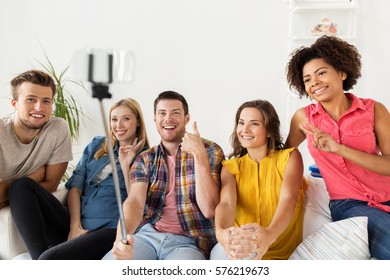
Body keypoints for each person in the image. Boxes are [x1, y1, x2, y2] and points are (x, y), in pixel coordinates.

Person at [285, 35, 390, 260]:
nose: (314, 82)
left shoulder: (375, 110)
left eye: (321, 73)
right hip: (349, 205)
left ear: (342, 73)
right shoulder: (304, 119)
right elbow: (283, 158)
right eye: (307, 79)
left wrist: (339, 148)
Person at [103, 90, 224, 260]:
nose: (168, 118)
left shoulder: (209, 150)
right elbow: (135, 202)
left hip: (188, 242)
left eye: (175, 113)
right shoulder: (145, 159)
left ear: (186, 118)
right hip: (146, 237)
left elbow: (209, 209)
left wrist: (199, 156)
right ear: (155, 119)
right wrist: (122, 240)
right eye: (162, 113)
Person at [38, 98, 150, 259]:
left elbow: (136, 202)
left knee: (48, 258)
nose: (118, 125)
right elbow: (76, 187)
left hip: (110, 228)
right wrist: (75, 226)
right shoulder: (97, 145)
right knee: (23, 186)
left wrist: (126, 166)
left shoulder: (147, 157)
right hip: (79, 223)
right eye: (114, 119)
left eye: (126, 119)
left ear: (138, 122)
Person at [210, 99, 307, 260]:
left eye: (254, 124)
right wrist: (221, 233)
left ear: (269, 130)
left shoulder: (289, 158)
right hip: (243, 250)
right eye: (241, 123)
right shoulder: (231, 167)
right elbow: (226, 203)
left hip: (283, 253)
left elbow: (288, 199)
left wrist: (268, 235)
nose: (244, 130)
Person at [0, 69, 72, 259]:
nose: (39, 107)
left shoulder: (58, 128)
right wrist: (33, 177)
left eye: (46, 101)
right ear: (15, 103)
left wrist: (15, 187)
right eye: (31, 99)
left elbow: (52, 184)